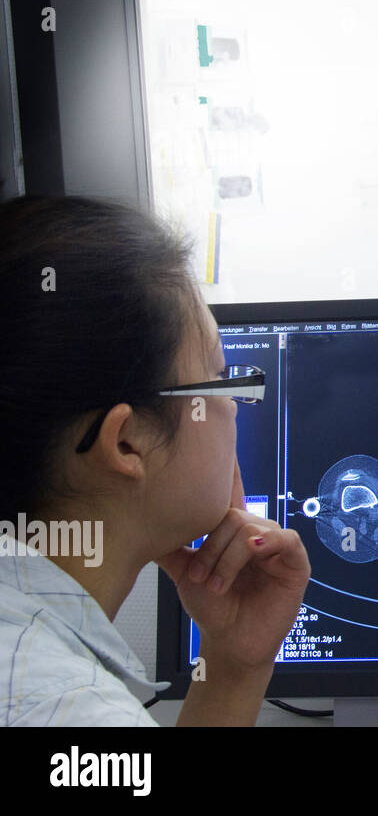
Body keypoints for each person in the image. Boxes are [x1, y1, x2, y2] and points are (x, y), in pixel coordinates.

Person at [0, 195, 309, 725]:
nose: (234, 407)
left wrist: (235, 665)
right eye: (218, 378)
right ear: (126, 442)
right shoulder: (71, 712)